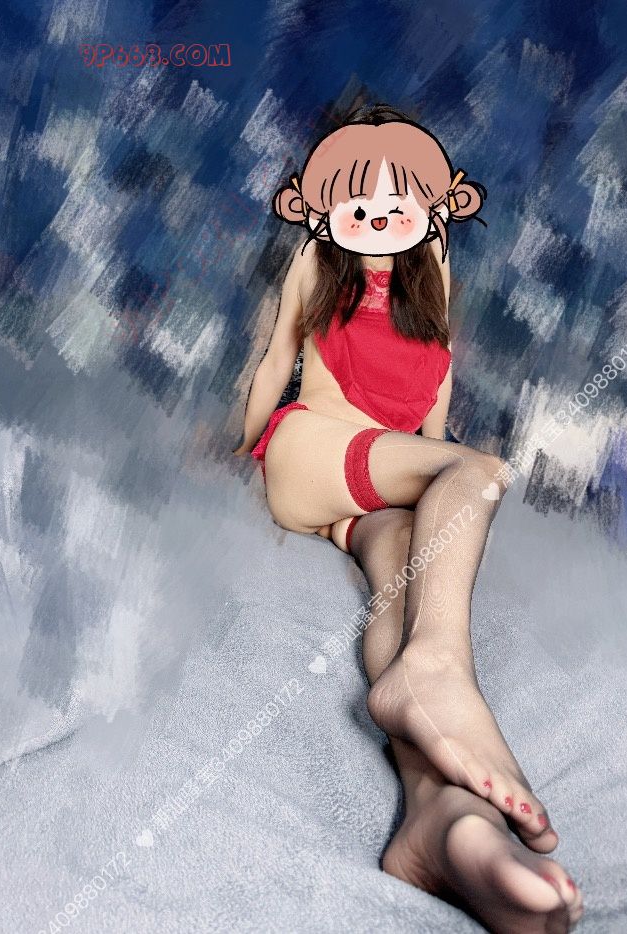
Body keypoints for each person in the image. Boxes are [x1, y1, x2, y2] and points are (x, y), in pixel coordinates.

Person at [233, 103, 583, 932]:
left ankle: (442, 821)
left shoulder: (433, 262)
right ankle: (439, 670)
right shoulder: (316, 259)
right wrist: (240, 450)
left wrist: (430, 472)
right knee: (479, 470)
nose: (380, 216)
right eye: (358, 202)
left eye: (401, 200)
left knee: (408, 576)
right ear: (323, 208)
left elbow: (437, 368)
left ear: (433, 205)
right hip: (312, 451)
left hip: (370, 493)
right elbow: (276, 358)